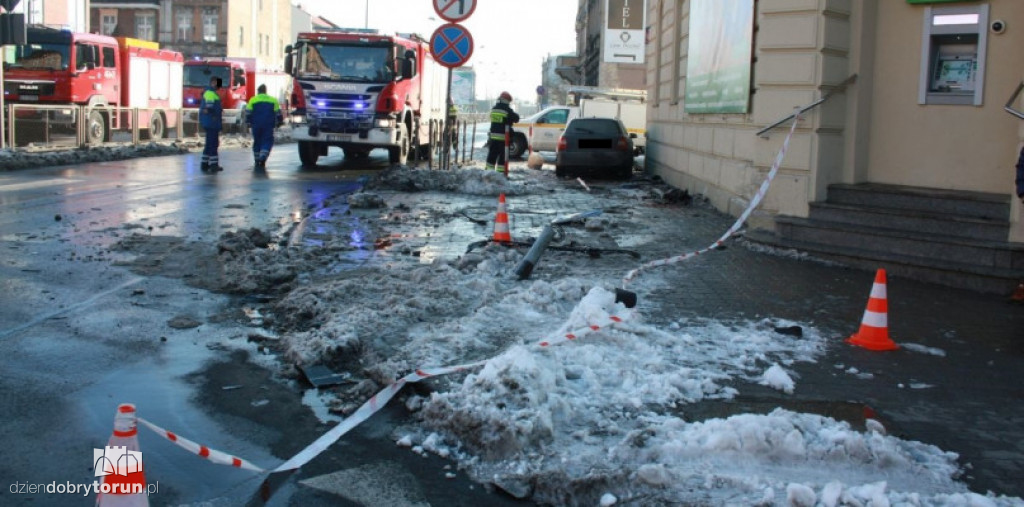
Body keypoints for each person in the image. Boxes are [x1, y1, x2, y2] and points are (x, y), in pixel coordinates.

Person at [246, 84, 283, 170]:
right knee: (267, 140)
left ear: (258, 91)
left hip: (256, 124)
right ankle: (263, 157)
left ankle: (256, 159)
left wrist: (248, 122)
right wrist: (280, 122)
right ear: (265, 91)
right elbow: (278, 113)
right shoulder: (273, 100)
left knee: (257, 141)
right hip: (268, 125)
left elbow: (248, 113)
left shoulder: (253, 100)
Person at [485, 91, 519, 172]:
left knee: (492, 155)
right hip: (503, 138)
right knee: (502, 157)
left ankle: (489, 173)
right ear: (507, 101)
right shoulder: (507, 110)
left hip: (493, 137)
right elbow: (516, 118)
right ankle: (500, 174)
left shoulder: (494, 109)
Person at [199, 76, 223, 172]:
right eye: (218, 84)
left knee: (209, 143)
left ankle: (204, 164)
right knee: (213, 143)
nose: (219, 87)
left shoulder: (210, 93)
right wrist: (216, 112)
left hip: (210, 122)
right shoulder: (210, 93)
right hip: (212, 122)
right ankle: (214, 165)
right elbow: (209, 108)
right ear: (213, 82)